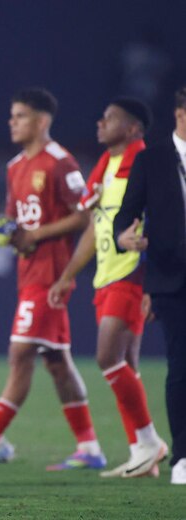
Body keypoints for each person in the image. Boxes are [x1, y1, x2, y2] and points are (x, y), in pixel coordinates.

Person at [0, 88, 106, 470]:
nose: (13, 122)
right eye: (12, 115)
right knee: (56, 361)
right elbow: (15, 219)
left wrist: (34, 236)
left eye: (20, 116)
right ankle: (89, 448)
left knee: (20, 355)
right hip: (28, 271)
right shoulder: (14, 166)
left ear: (42, 121)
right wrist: (13, 235)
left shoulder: (60, 162)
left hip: (52, 275)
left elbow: (84, 216)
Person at [48, 97, 167, 478]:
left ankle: (149, 441)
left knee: (107, 356)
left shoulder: (145, 165)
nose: (100, 122)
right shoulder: (105, 165)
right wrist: (68, 274)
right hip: (106, 273)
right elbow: (93, 226)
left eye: (110, 118)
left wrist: (154, 280)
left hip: (133, 271)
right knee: (125, 364)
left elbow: (164, 221)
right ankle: (140, 453)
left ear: (133, 129)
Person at [114, 86, 186, 485]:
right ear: (179, 114)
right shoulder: (152, 160)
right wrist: (124, 237)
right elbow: (124, 216)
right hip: (172, 277)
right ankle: (183, 458)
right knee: (181, 365)